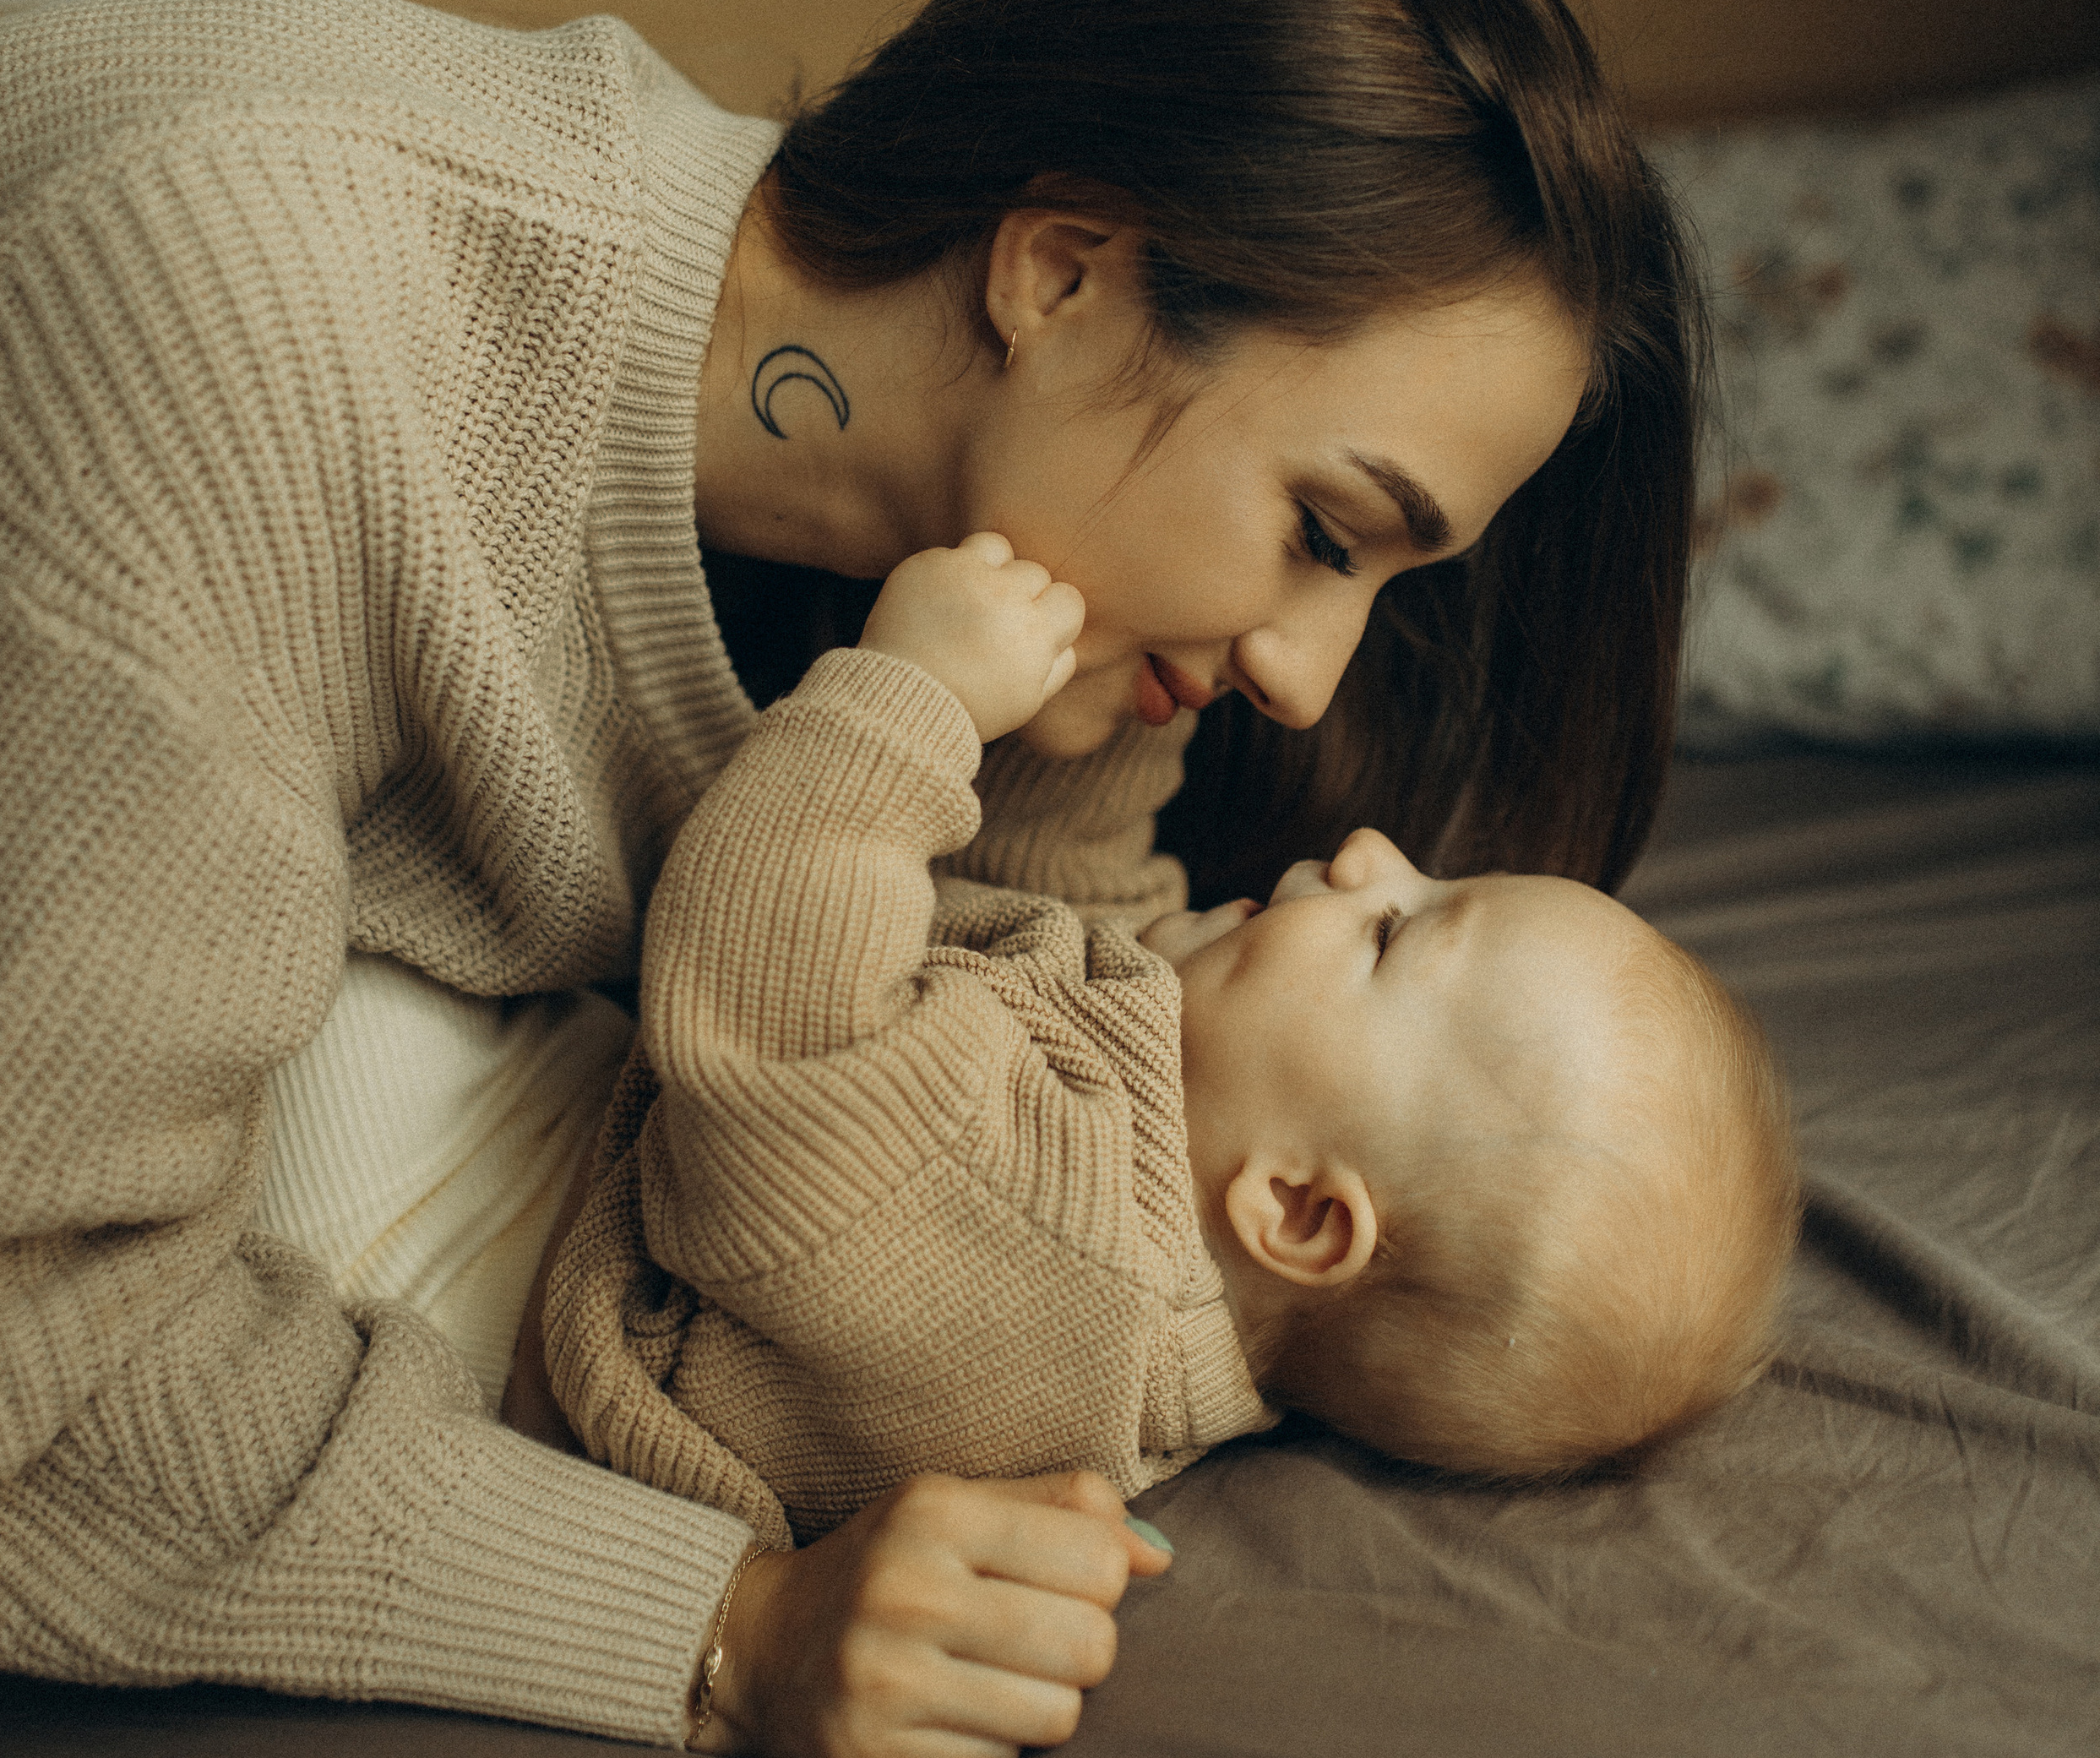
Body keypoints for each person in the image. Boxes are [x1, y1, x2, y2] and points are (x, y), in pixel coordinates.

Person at [0, 0, 1704, 1758]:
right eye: (1325, 532)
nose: (1306, 679)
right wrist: (723, 1624)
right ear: (1061, 276)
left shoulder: (1042, 578)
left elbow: (1058, 984)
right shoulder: (232, 356)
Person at [526, 535, 1795, 1669]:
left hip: (523, 1272)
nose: (1369, 854)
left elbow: (770, 998)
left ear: (1297, 1213)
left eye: (1391, 932)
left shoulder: (1047, 1247)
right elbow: (1055, 886)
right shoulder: (1173, 1118)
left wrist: (910, 703)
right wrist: (1133, 656)